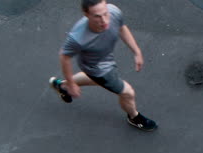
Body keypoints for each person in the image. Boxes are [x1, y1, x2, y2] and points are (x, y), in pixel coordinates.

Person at [49, 0, 158, 132]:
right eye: (97, 16)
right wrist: (73, 85)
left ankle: (63, 86)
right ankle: (134, 117)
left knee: (96, 80)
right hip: (98, 69)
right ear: (86, 14)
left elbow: (121, 27)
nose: (104, 20)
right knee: (127, 93)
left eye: (105, 14)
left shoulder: (113, 11)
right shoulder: (77, 38)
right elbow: (64, 57)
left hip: (105, 57)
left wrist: (137, 51)